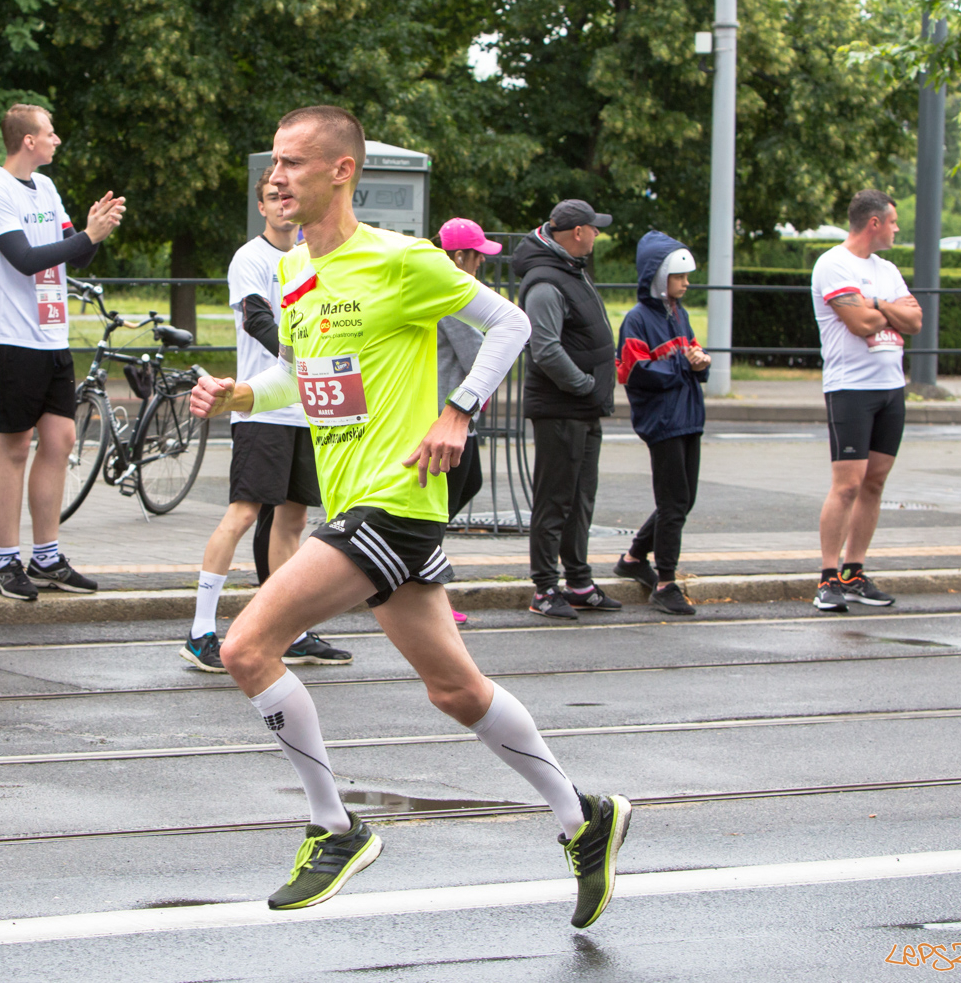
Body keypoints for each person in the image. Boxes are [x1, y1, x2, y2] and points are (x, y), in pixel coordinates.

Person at [190, 106, 630, 928]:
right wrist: (240, 393)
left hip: (395, 501)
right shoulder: (293, 276)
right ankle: (584, 815)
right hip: (357, 498)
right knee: (454, 688)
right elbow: (310, 382)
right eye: (273, 164)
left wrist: (459, 410)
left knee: (246, 645)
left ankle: (335, 825)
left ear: (340, 171)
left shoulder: (400, 259)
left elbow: (509, 324)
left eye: (293, 162)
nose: (276, 177)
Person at [183, 176, 349, 673]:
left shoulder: (312, 257)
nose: (282, 204)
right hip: (263, 404)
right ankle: (200, 631)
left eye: (288, 196)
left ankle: (290, 630)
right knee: (243, 513)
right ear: (262, 206)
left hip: (308, 406)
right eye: (273, 198)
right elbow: (257, 318)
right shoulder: (250, 258)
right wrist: (305, 350)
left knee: (293, 520)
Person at [0, 104, 125, 600]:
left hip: (51, 335)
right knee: (14, 446)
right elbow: (23, 260)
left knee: (59, 440)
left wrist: (93, 234)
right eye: (50, 132)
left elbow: (74, 254)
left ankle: (47, 556)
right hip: (10, 339)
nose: (57, 139)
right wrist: (85, 235)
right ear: (28, 141)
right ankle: (5, 562)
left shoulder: (46, 188)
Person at [811, 189, 922, 613]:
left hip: (890, 388)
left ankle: (853, 573)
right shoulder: (833, 264)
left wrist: (876, 303)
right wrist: (883, 305)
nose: (896, 229)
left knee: (875, 482)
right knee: (848, 484)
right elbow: (858, 323)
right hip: (850, 389)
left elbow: (914, 320)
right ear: (873, 223)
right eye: (893, 222)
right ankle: (827, 579)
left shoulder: (886, 268)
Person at [512, 199, 622, 620]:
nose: (597, 235)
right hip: (562, 407)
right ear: (577, 232)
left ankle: (578, 581)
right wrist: (585, 385)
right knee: (555, 499)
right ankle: (544, 587)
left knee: (580, 499)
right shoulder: (546, 281)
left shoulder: (568, 270)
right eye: (594, 229)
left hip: (583, 408)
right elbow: (545, 349)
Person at [614, 231, 711, 616]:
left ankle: (635, 557)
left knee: (682, 500)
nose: (687, 284)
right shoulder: (637, 320)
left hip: (687, 416)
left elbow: (688, 356)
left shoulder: (679, 313)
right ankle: (666, 581)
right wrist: (683, 364)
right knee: (673, 503)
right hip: (663, 420)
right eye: (680, 277)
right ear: (659, 276)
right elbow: (635, 372)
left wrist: (699, 362)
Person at [435, 218, 497, 626]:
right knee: (440, 506)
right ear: (460, 256)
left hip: (456, 409)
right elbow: (479, 353)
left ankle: (421, 578)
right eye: (477, 256)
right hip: (447, 412)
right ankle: (426, 593)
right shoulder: (454, 295)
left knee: (463, 486)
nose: (480, 264)